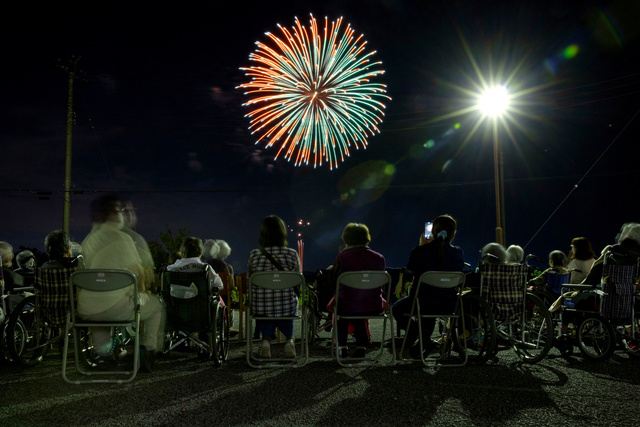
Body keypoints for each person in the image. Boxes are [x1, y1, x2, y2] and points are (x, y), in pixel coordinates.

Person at [79, 194, 164, 372]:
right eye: (120, 211)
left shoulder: (88, 240)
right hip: (115, 306)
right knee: (156, 306)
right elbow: (139, 274)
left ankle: (101, 356)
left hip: (87, 308)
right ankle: (147, 350)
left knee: (100, 302)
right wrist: (141, 293)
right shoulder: (122, 239)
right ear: (116, 215)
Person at [392, 214, 465, 357]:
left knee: (397, 309)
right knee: (430, 303)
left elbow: (411, 269)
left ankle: (418, 335)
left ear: (432, 232)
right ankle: (424, 341)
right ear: (453, 234)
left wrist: (421, 246)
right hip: (449, 304)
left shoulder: (420, 252)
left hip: (420, 302)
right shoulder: (457, 253)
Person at [247, 215, 301, 359]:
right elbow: (297, 280)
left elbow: (250, 280)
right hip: (287, 306)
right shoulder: (292, 254)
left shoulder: (254, 255)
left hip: (261, 306)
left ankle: (265, 342)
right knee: (286, 305)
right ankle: (289, 340)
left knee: (266, 309)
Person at [329, 223, 386, 359]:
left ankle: (342, 347)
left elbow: (334, 282)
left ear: (346, 239)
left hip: (348, 305)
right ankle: (361, 346)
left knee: (342, 306)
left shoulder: (342, 258)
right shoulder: (379, 258)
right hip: (373, 305)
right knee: (357, 304)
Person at [122, 200, 156, 291]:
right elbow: (148, 279)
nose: (131, 213)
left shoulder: (99, 239)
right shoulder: (137, 240)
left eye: (132, 210)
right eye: (126, 210)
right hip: (130, 295)